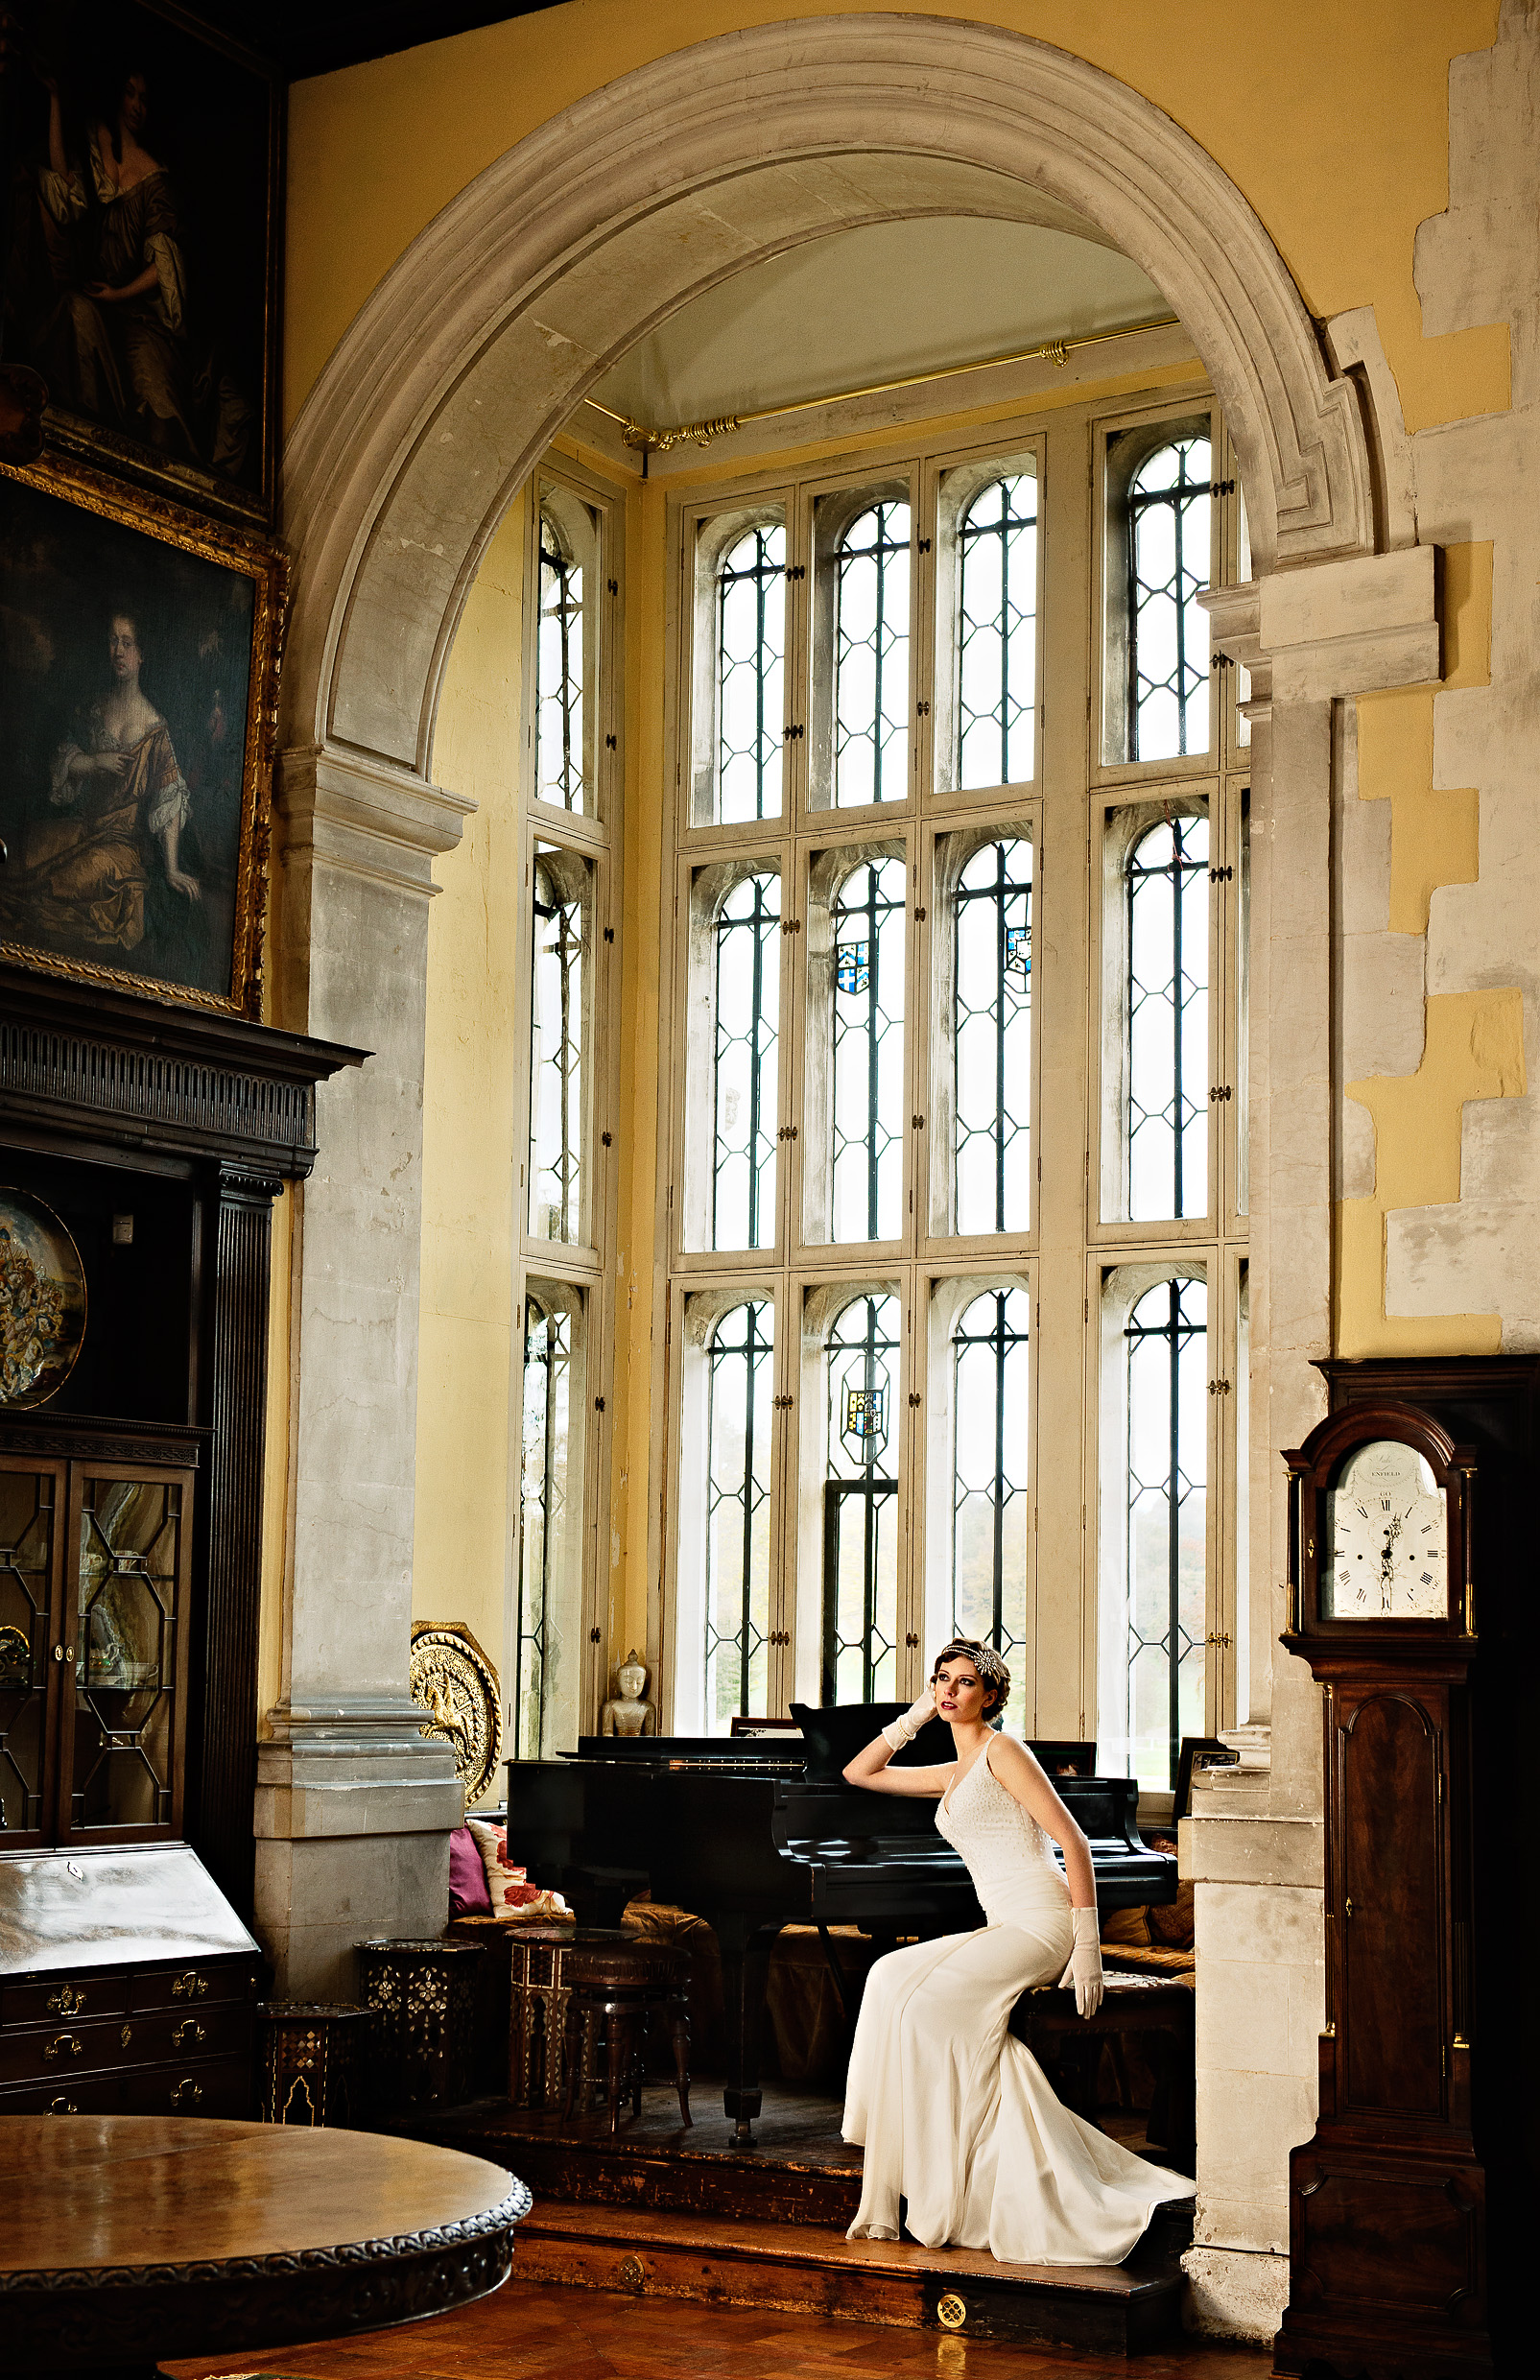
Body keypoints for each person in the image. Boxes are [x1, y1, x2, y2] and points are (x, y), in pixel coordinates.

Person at [840, 1638, 1195, 2265]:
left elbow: (1074, 1842)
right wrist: (918, 1713)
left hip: (1042, 1921)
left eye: (964, 1683)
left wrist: (1086, 1946)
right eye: (940, 1680)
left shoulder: (1004, 1751)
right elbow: (858, 1773)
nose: (949, 1690)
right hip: (1002, 1921)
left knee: (928, 2009)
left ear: (992, 1696)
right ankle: (906, 2142)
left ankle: (967, 2154)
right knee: (888, 1974)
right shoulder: (953, 1771)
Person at [5, 608, 199, 964]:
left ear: (141, 655)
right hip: (83, 827)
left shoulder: (156, 729)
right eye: (113, 640)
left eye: (127, 643)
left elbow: (170, 797)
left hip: (119, 846)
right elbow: (62, 758)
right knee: (25, 854)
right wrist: (94, 762)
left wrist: (171, 868)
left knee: (61, 883)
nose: (118, 651)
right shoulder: (92, 708)